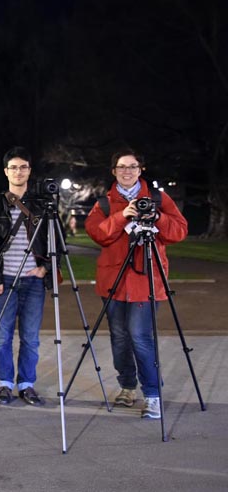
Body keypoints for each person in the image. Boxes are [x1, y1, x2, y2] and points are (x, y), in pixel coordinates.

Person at [85, 148, 187, 419]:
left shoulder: (157, 198)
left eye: (132, 166)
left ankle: (152, 394)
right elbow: (97, 233)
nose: (127, 171)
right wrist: (122, 216)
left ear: (141, 170)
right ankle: (127, 387)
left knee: (140, 337)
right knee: (119, 338)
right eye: (121, 167)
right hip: (113, 282)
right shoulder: (105, 203)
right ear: (114, 171)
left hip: (146, 280)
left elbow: (180, 231)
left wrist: (158, 217)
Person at [0, 146, 51, 406]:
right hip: (5, 280)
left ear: (29, 170)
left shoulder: (43, 205)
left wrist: (46, 269)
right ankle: (5, 384)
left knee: (31, 337)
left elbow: (55, 243)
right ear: (6, 171)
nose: (18, 171)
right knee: (3, 336)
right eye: (13, 167)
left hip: (33, 280)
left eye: (23, 167)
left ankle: (27, 384)